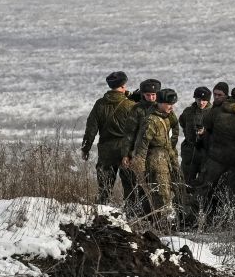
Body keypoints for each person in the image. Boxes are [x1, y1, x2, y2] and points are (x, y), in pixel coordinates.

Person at [197, 85, 235, 228]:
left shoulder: (218, 110)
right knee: (234, 195)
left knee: (208, 191)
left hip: (215, 158)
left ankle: (205, 222)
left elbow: (206, 126)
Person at [81, 71, 137, 206]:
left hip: (106, 151)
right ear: (123, 86)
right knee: (130, 187)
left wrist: (85, 148)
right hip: (125, 150)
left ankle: (102, 212)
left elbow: (91, 129)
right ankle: (131, 213)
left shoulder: (100, 104)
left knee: (104, 188)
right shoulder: (130, 105)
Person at [132, 88, 181, 229]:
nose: (171, 107)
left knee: (169, 193)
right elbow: (141, 147)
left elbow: (168, 143)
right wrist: (140, 172)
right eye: (168, 104)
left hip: (166, 160)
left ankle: (165, 224)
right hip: (155, 163)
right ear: (159, 103)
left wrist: (174, 163)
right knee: (161, 195)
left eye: (172, 104)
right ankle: (161, 227)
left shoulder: (166, 117)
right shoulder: (151, 121)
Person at [178, 86, 213, 187]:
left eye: (204, 100)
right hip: (189, 150)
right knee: (186, 180)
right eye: (198, 99)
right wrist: (189, 134)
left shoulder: (213, 112)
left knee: (204, 181)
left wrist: (204, 132)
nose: (201, 103)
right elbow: (182, 122)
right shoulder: (188, 111)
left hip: (206, 151)